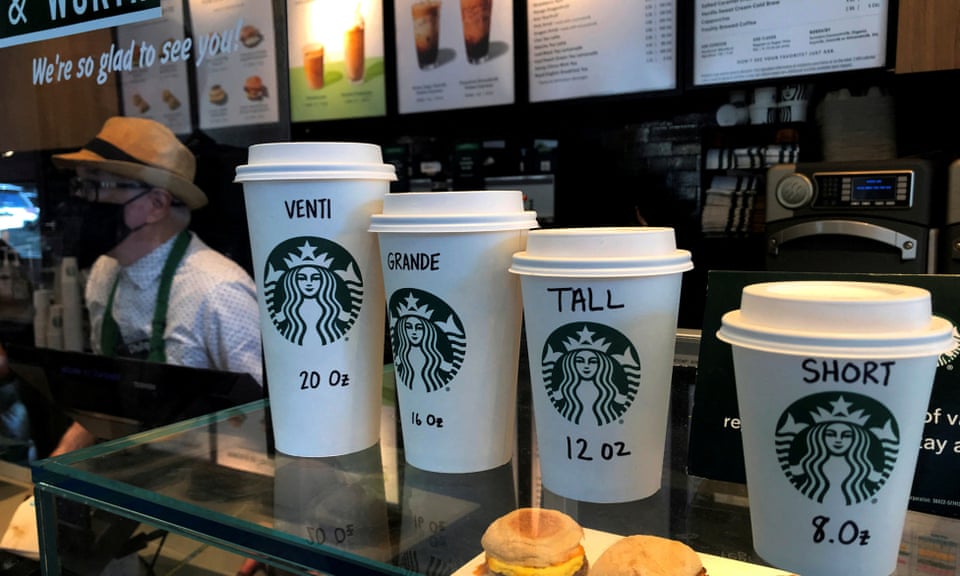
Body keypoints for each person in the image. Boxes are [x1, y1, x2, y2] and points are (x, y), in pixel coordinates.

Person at [49, 116, 263, 457]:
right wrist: (56, 467)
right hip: (135, 471)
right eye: (79, 187)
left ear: (156, 205)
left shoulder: (218, 291)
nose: (81, 202)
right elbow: (107, 402)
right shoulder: (105, 274)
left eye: (96, 187)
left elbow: (258, 422)